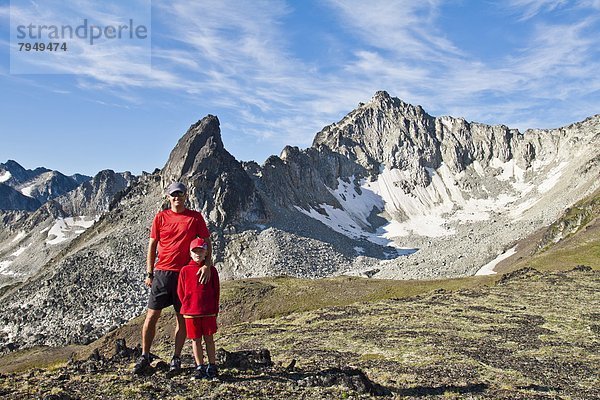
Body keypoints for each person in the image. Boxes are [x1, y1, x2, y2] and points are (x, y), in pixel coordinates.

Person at [133, 182, 213, 375]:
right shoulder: (160, 217)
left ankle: (176, 357)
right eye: (173, 194)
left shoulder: (195, 217)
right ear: (168, 197)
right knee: (152, 315)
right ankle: (145, 355)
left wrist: (207, 265)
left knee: (182, 318)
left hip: (185, 274)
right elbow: (152, 245)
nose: (177, 197)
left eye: (180, 193)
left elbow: (206, 242)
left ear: (186, 195)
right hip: (162, 273)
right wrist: (149, 273)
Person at [178, 237, 220, 380]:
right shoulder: (184, 270)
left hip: (208, 312)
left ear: (206, 253)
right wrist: (187, 304)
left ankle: (212, 366)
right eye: (195, 251)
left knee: (209, 339)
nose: (198, 254)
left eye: (200, 251)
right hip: (191, 313)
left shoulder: (212, 270)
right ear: (190, 253)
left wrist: (215, 310)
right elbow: (180, 291)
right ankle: (200, 367)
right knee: (195, 340)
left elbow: (216, 291)